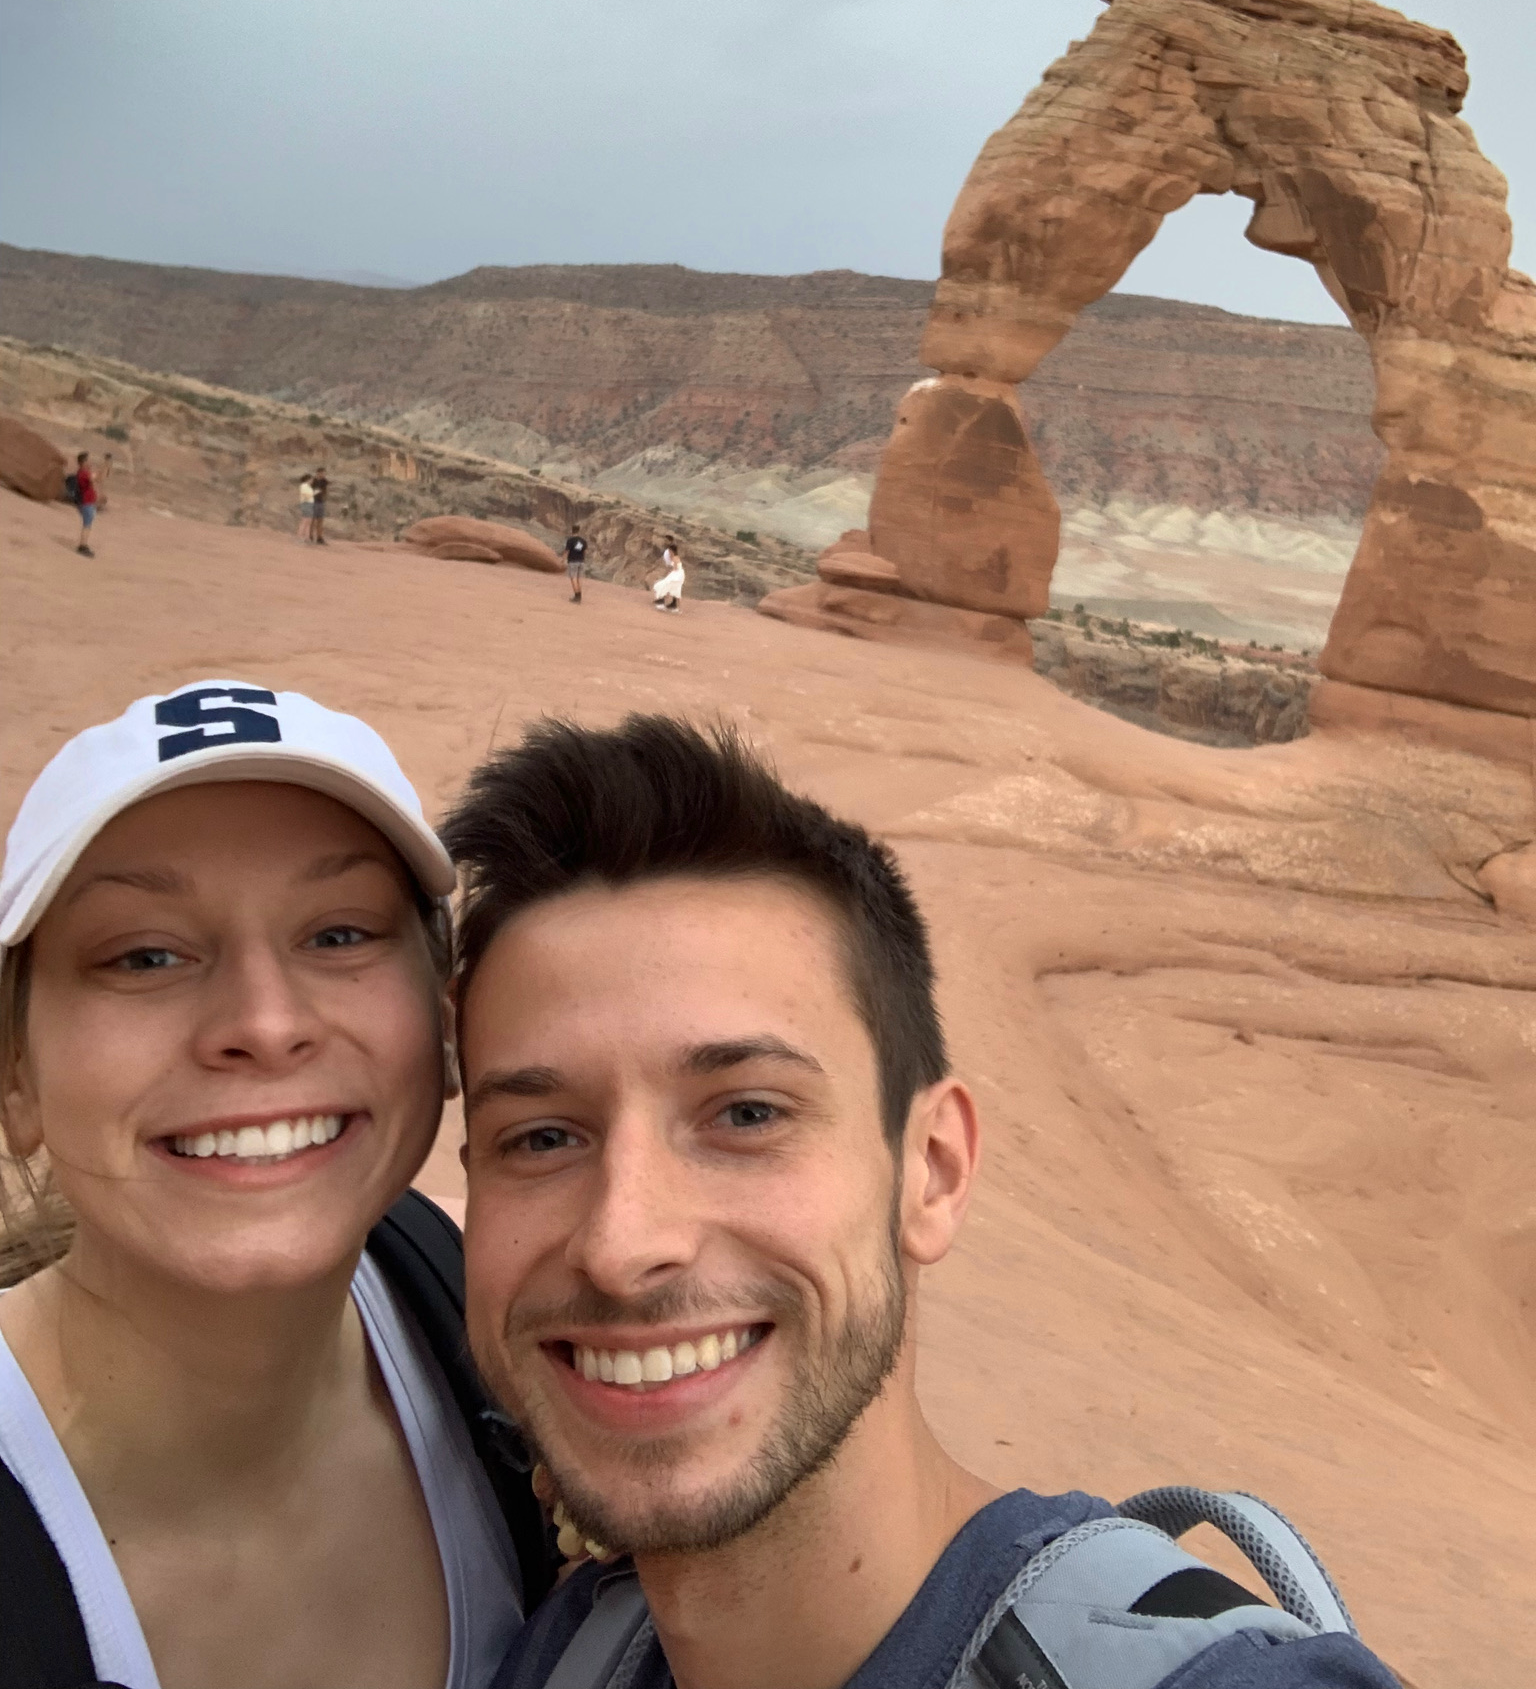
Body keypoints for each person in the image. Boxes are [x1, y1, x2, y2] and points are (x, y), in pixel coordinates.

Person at [442, 716, 1401, 1689]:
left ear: (932, 1168)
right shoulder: (574, 1644)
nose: (620, 1240)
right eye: (544, 1135)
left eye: (746, 1111)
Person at [0, 681, 554, 1689]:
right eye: (145, 952)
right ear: (17, 1076)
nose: (262, 1019)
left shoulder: (478, 1327)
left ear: (442, 1024)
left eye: (338, 933)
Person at [72, 452, 98, 558]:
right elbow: (94, 479)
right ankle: (82, 546)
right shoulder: (84, 473)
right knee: (87, 525)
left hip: (86, 503)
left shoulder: (83, 472)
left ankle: (83, 545)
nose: (90, 462)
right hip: (86, 503)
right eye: (88, 460)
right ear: (84, 462)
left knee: (87, 524)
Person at [650, 540, 683, 614]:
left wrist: (669, 574)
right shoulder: (676, 557)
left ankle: (662, 602)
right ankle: (675, 607)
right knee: (674, 590)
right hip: (679, 575)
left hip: (676, 575)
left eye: (670, 550)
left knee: (665, 585)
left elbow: (675, 569)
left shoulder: (675, 558)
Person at [564, 531, 588, 604]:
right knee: (579, 579)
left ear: (572, 531)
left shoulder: (570, 540)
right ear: (578, 531)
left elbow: (567, 551)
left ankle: (577, 596)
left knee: (573, 578)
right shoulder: (583, 541)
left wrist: (563, 559)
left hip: (573, 561)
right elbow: (585, 552)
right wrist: (583, 559)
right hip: (581, 561)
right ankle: (579, 595)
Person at [310, 469, 330, 546]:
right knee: (312, 520)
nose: (323, 475)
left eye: (324, 473)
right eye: (321, 473)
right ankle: (310, 536)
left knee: (320, 520)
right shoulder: (313, 481)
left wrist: (324, 497)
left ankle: (319, 537)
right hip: (313, 502)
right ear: (317, 473)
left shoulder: (324, 481)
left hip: (321, 502)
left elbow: (326, 490)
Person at [298, 474, 316, 542]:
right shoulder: (303, 486)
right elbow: (306, 495)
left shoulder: (309, 487)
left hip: (310, 503)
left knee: (309, 521)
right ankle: (300, 535)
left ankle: (306, 537)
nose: (312, 481)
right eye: (311, 479)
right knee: (305, 520)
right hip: (306, 503)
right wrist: (313, 493)